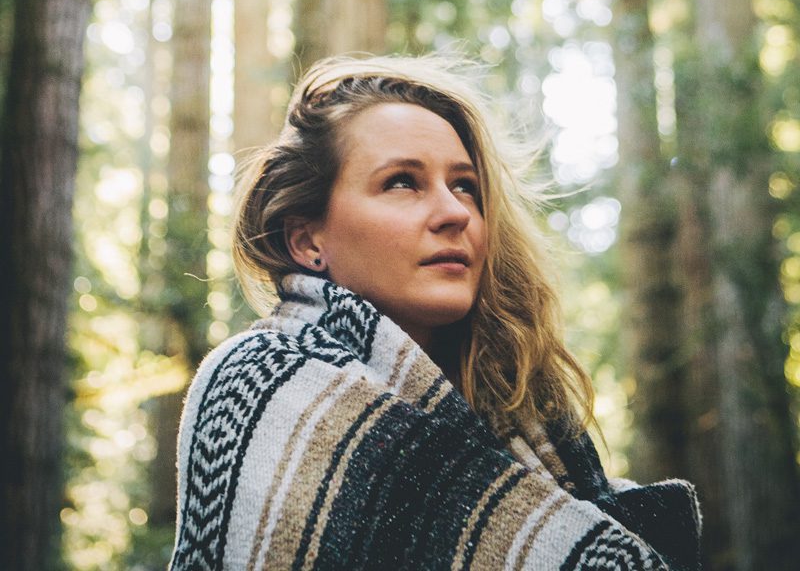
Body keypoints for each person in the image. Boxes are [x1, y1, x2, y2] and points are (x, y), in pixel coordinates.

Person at [170, 55, 701, 570]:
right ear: (309, 239)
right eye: (402, 181)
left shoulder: (525, 415)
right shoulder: (258, 381)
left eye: (465, 186)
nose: (454, 213)